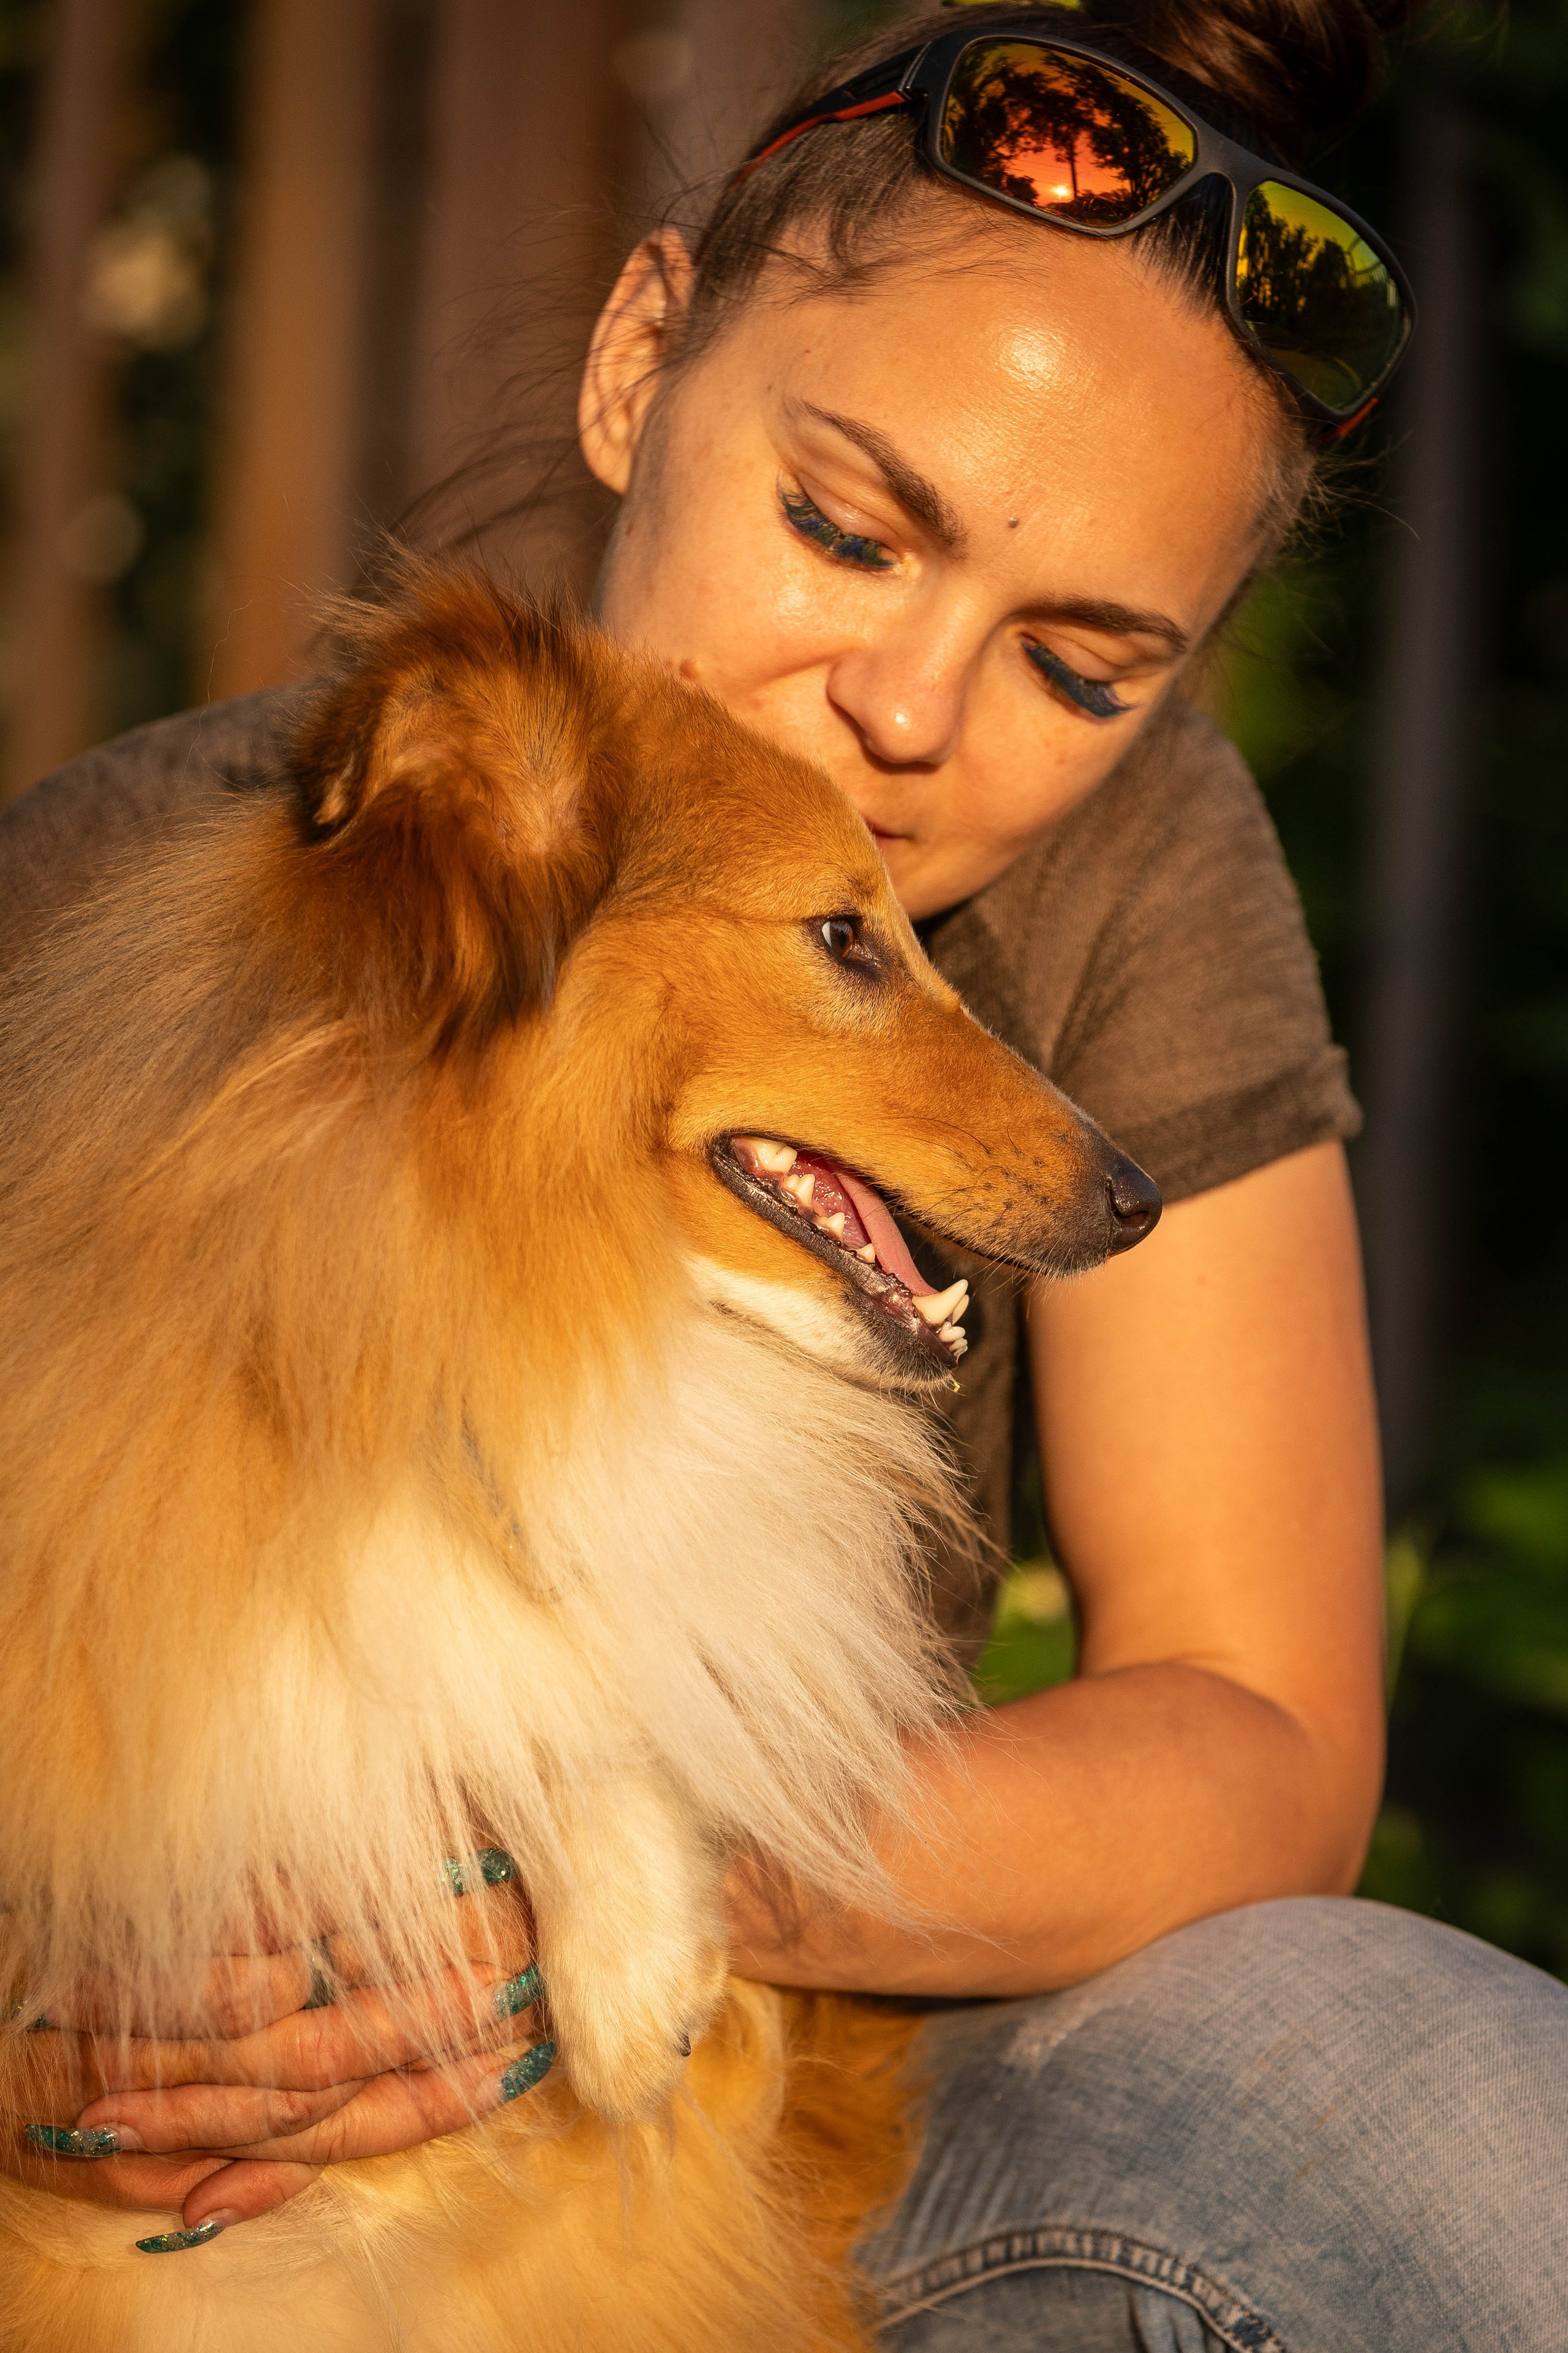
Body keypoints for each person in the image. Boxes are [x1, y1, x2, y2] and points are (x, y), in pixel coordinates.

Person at [4, 4, 1566, 2343]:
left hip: (767, 2103)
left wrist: (645, 1857)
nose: (916, 713)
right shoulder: (149, 876)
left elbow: (1258, 1737)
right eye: (845, 527)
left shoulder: (1118, 875)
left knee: (1446, 2111)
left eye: (1087, 665)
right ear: (640, 361)